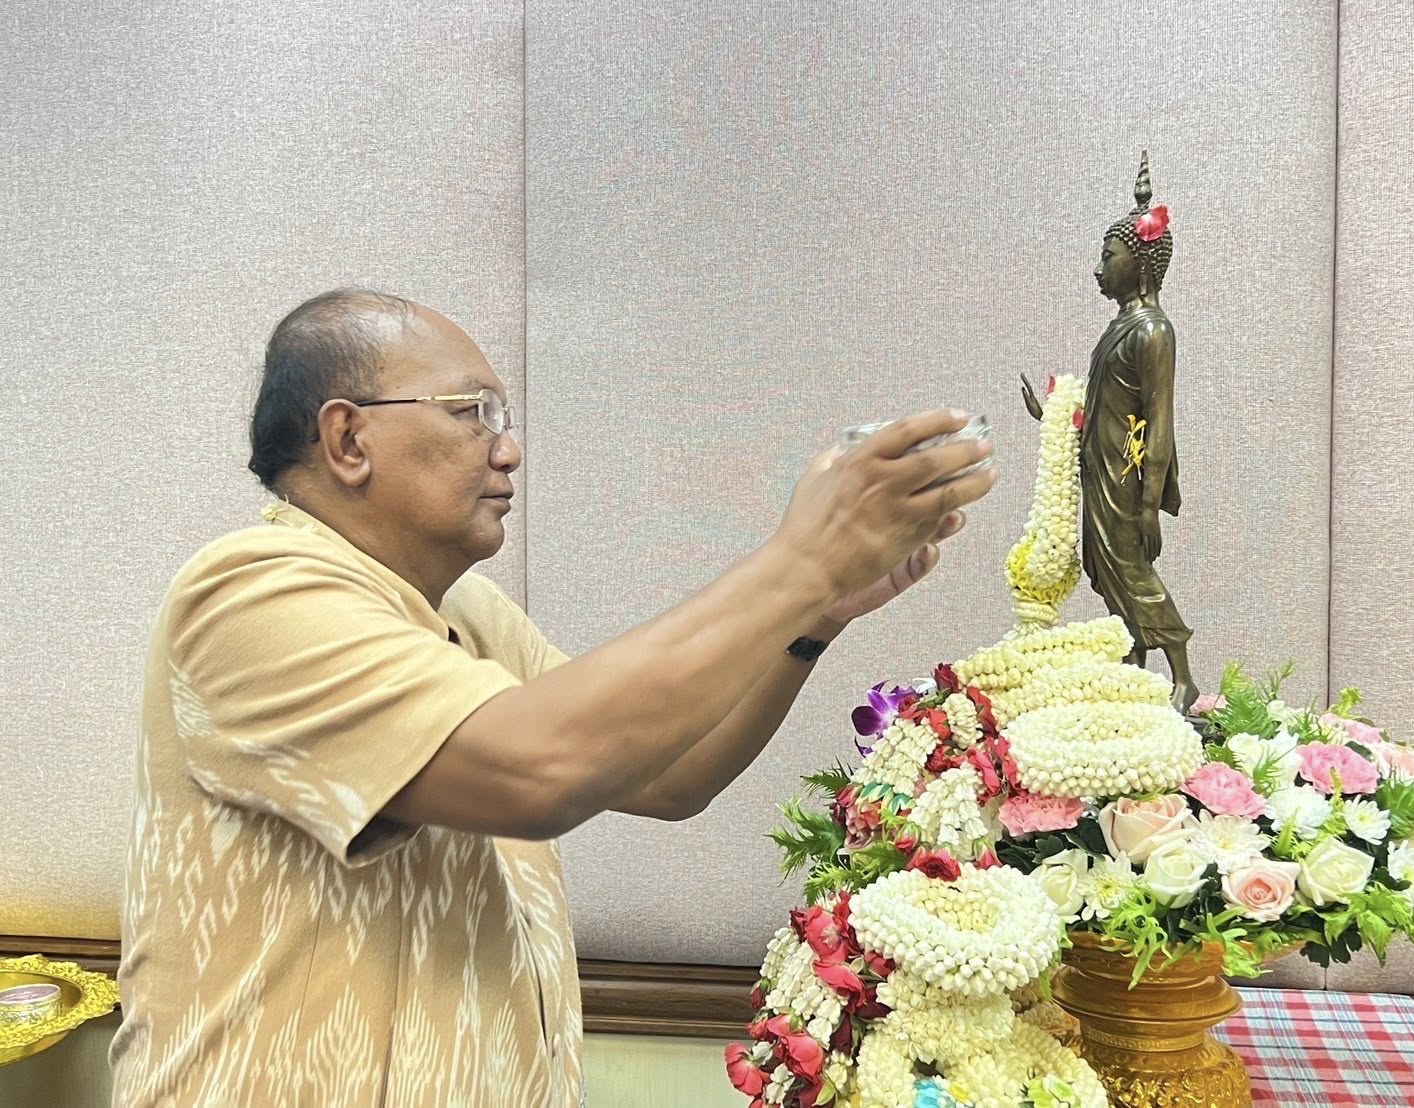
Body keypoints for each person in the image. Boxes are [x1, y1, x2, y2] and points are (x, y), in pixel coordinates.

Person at [109, 289, 997, 1107]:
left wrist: (810, 616)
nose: (507, 446)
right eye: (471, 413)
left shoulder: (464, 611)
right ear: (347, 440)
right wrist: (801, 559)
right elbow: (541, 771)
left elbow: (666, 775)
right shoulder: (249, 592)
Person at [1021, 152, 1199, 713]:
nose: (1099, 269)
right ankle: (1134, 660)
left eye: (1109, 256)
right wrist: (1052, 418)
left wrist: (1149, 500)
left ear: (1141, 262)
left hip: (1128, 474)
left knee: (1131, 567)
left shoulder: (1152, 331)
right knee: (1104, 569)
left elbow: (1157, 420)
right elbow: (1107, 409)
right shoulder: (1119, 326)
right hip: (1101, 468)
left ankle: (1182, 674)